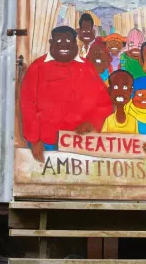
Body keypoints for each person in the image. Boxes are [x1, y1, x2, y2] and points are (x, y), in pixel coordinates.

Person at [20, 26, 113, 162]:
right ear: (51, 44)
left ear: (75, 43)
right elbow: (28, 106)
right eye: (59, 41)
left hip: (80, 143)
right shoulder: (37, 68)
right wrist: (34, 141)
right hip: (46, 144)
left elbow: (103, 101)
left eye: (68, 41)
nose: (64, 45)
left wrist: (92, 123)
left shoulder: (86, 67)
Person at [101, 70, 138, 134]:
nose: (120, 92)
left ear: (131, 91)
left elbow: (138, 140)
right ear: (109, 90)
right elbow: (102, 139)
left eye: (125, 87)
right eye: (115, 87)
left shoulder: (133, 121)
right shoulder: (108, 120)